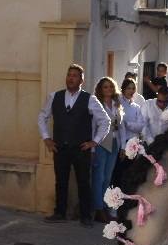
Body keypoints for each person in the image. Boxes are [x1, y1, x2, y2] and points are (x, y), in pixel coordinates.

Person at [38, 63, 110, 226]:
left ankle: (86, 216)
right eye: (69, 75)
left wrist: (95, 142)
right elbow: (42, 117)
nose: (71, 78)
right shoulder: (54, 96)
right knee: (60, 181)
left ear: (81, 80)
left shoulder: (90, 99)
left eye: (75, 76)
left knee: (84, 182)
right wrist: (46, 138)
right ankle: (60, 212)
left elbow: (105, 121)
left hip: (81, 147)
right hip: (60, 147)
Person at [91, 77, 122, 223]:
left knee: (108, 178)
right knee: (99, 177)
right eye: (105, 87)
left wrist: (123, 146)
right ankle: (97, 208)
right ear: (100, 89)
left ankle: (104, 206)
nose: (108, 89)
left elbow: (120, 126)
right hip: (101, 143)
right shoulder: (97, 104)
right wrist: (92, 148)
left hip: (115, 143)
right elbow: (93, 127)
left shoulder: (117, 103)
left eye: (110, 86)